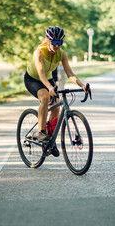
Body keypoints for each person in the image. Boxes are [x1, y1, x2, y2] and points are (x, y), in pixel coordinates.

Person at [24, 26, 88, 157]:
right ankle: (42, 133)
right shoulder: (39, 52)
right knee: (46, 97)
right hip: (33, 79)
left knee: (56, 109)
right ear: (48, 41)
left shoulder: (62, 54)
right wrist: (50, 87)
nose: (57, 45)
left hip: (47, 80)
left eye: (60, 42)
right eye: (54, 42)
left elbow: (70, 73)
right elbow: (41, 74)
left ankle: (49, 141)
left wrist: (82, 85)